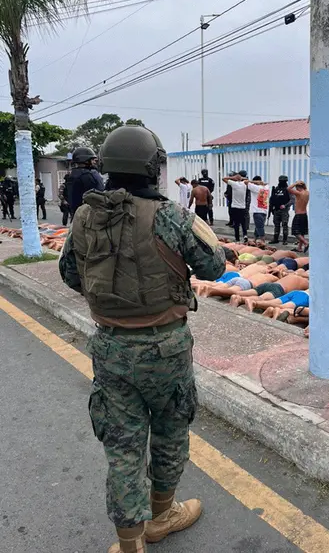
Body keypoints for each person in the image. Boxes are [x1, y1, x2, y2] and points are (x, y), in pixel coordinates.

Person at [58, 124, 226, 553]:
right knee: (170, 432)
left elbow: (70, 274)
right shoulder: (170, 214)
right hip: (166, 348)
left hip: (111, 347)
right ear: (152, 167)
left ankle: (130, 543)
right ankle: (163, 514)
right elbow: (213, 267)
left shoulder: (83, 215)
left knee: (123, 446)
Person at [68, 146, 105, 217]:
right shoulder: (87, 176)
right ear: (85, 160)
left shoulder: (74, 174)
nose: (95, 162)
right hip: (89, 215)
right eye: (92, 160)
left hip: (78, 215)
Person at [223, 171, 250, 243]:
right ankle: (245, 236)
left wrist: (233, 178)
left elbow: (223, 179)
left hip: (235, 207)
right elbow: (249, 181)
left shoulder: (234, 184)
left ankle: (237, 238)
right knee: (243, 223)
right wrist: (242, 178)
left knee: (236, 224)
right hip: (242, 207)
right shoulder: (245, 184)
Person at [247, 176, 270, 242]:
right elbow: (267, 183)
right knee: (258, 226)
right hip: (264, 211)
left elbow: (246, 182)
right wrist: (261, 182)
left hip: (257, 211)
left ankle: (263, 241)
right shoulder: (266, 187)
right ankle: (255, 239)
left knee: (259, 227)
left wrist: (253, 182)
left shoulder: (255, 187)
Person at [270, 175, 292, 245]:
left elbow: (292, 200)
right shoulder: (276, 188)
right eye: (280, 181)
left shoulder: (288, 189)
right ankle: (275, 238)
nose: (281, 182)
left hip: (284, 211)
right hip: (276, 210)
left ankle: (285, 240)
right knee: (276, 225)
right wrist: (272, 207)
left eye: (283, 181)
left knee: (284, 224)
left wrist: (285, 205)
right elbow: (272, 199)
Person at [288, 180, 309, 252]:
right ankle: (299, 247)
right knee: (302, 232)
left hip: (299, 215)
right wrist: (302, 183)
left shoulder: (299, 193)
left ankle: (306, 243)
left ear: (298, 187)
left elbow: (288, 189)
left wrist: (295, 183)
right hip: (304, 215)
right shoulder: (307, 193)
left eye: (296, 187)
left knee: (295, 232)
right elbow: (305, 188)